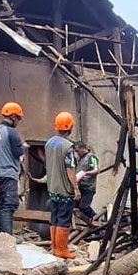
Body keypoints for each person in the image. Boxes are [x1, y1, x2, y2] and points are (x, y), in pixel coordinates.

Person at [0, 102, 27, 235]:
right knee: (9, 205)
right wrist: (24, 147)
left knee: (2, 204)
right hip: (9, 173)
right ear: (14, 117)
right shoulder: (11, 132)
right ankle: (6, 238)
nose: (18, 122)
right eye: (18, 119)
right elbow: (17, 152)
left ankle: (2, 236)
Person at [44, 111, 79, 259]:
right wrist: (76, 188)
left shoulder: (49, 143)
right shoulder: (68, 147)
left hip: (52, 187)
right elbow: (70, 169)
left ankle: (54, 247)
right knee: (64, 219)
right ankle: (62, 249)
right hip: (65, 189)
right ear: (70, 127)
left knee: (55, 217)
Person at [73, 141, 101, 223]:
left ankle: (96, 218)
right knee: (75, 208)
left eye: (78, 151)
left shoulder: (91, 157)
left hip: (88, 188)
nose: (77, 153)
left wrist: (86, 173)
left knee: (84, 207)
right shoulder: (79, 159)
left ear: (83, 148)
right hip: (79, 187)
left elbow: (96, 170)